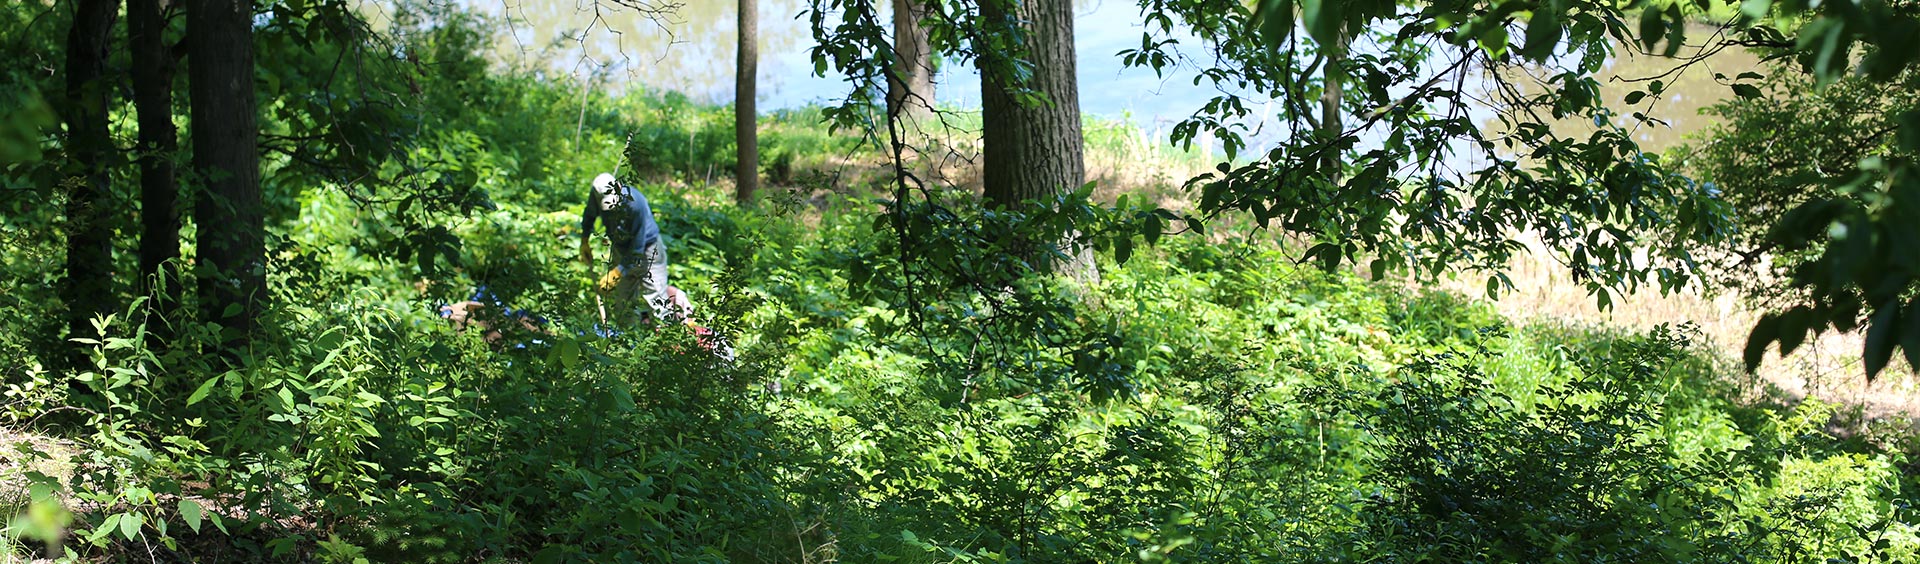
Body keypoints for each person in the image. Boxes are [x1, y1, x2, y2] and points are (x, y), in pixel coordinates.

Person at [580, 173, 670, 325]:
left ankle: (665, 334)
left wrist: (619, 271)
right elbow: (589, 215)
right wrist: (584, 241)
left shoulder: (636, 204)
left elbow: (637, 247)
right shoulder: (597, 194)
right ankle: (627, 336)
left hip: (648, 247)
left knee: (656, 295)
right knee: (624, 299)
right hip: (620, 246)